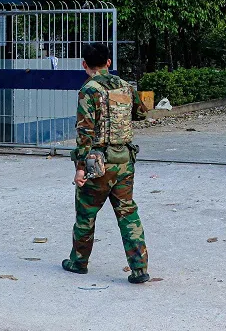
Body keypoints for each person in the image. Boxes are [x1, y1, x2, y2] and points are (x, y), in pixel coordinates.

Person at [62, 42, 150, 284]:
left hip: (97, 164)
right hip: (124, 161)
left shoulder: (88, 90)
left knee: (86, 214)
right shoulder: (125, 86)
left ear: (85, 65)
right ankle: (140, 269)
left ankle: (78, 262)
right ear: (109, 63)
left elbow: (84, 133)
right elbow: (141, 114)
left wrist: (80, 168)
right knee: (128, 213)